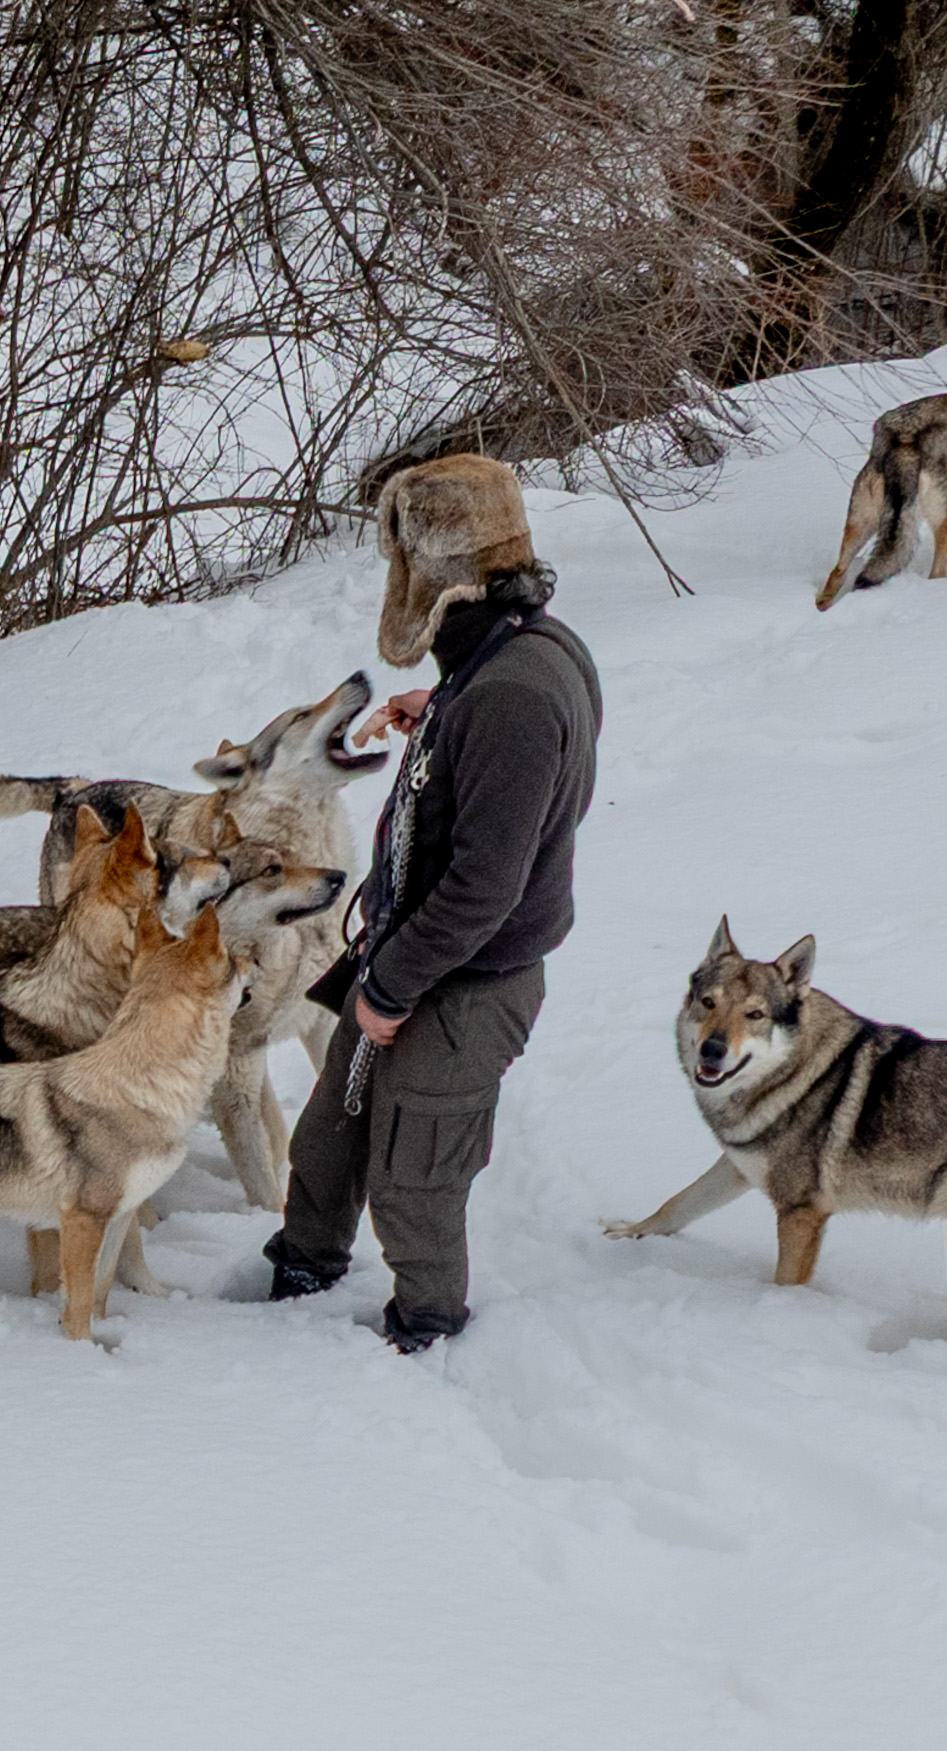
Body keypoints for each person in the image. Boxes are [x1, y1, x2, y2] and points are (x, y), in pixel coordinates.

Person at [262, 454, 602, 1351]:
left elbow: (484, 886)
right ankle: (298, 1272)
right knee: (332, 1134)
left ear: (443, 574)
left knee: (415, 1174)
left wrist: (389, 990)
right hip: (416, 954)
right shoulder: (514, 653)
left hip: (468, 978)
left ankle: (426, 1336)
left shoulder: (514, 695)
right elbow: (494, 753)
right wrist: (441, 713)